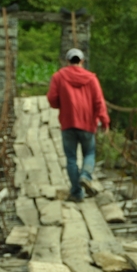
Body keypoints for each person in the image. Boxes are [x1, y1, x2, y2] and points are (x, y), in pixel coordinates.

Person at [47, 48, 110, 202]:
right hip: (88, 124)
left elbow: (52, 99)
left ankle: (76, 192)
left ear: (67, 61)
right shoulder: (91, 78)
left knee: (71, 158)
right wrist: (105, 121)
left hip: (68, 123)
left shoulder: (58, 77)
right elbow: (99, 102)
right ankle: (85, 176)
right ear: (82, 61)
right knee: (89, 153)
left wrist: (62, 103)